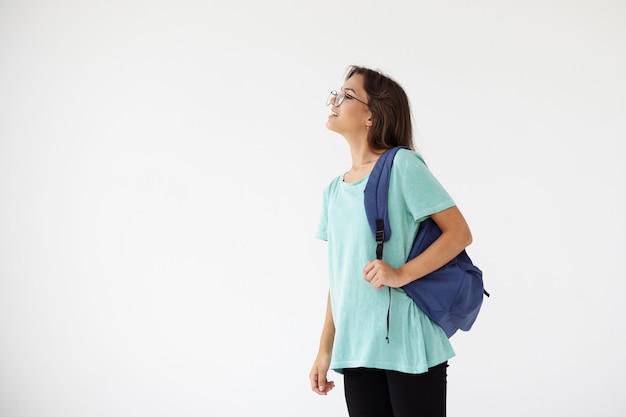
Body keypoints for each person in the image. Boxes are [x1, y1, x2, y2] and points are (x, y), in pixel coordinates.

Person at [308, 65, 474, 417]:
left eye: (347, 95)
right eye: (337, 92)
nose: (335, 100)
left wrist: (400, 273)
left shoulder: (402, 166)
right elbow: (339, 277)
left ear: (372, 116)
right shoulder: (333, 191)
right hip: (356, 348)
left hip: (406, 343)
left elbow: (459, 233)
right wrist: (326, 348)